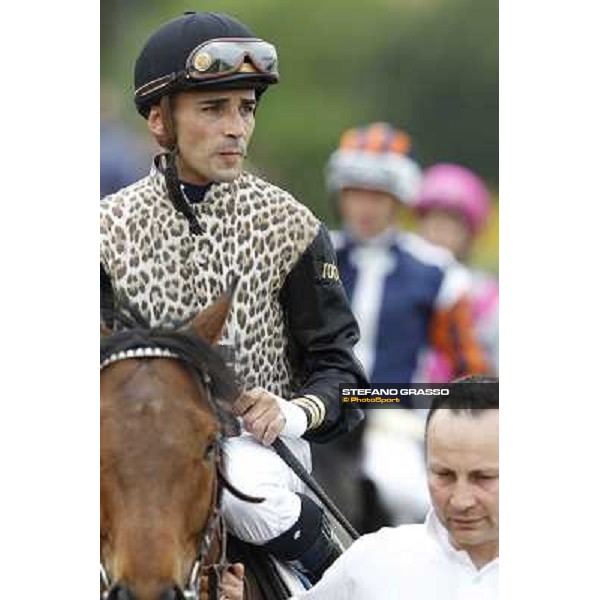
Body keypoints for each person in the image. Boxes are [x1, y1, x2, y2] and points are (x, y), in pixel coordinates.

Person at [100, 11, 368, 585]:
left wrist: (292, 411)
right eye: (212, 109)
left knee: (246, 492)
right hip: (128, 451)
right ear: (158, 120)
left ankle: (345, 583)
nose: (236, 128)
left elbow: (341, 373)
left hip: (259, 456)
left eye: (245, 108)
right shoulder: (101, 233)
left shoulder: (294, 227)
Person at [311, 123, 489, 530]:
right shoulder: (310, 256)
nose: (366, 205)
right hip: (314, 413)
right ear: (341, 194)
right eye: (356, 191)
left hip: (391, 421)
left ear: (400, 198)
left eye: (379, 193)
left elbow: (469, 372)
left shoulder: (438, 272)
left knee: (404, 493)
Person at [218, 375, 499, 599]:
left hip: (392, 406)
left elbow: (347, 381)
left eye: (484, 477)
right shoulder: (374, 560)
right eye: (444, 474)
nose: (461, 501)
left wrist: (301, 412)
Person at [414, 163, 499, 379]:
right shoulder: (401, 281)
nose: (439, 231)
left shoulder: (487, 297)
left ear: (470, 233)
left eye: (451, 222)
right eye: (433, 219)